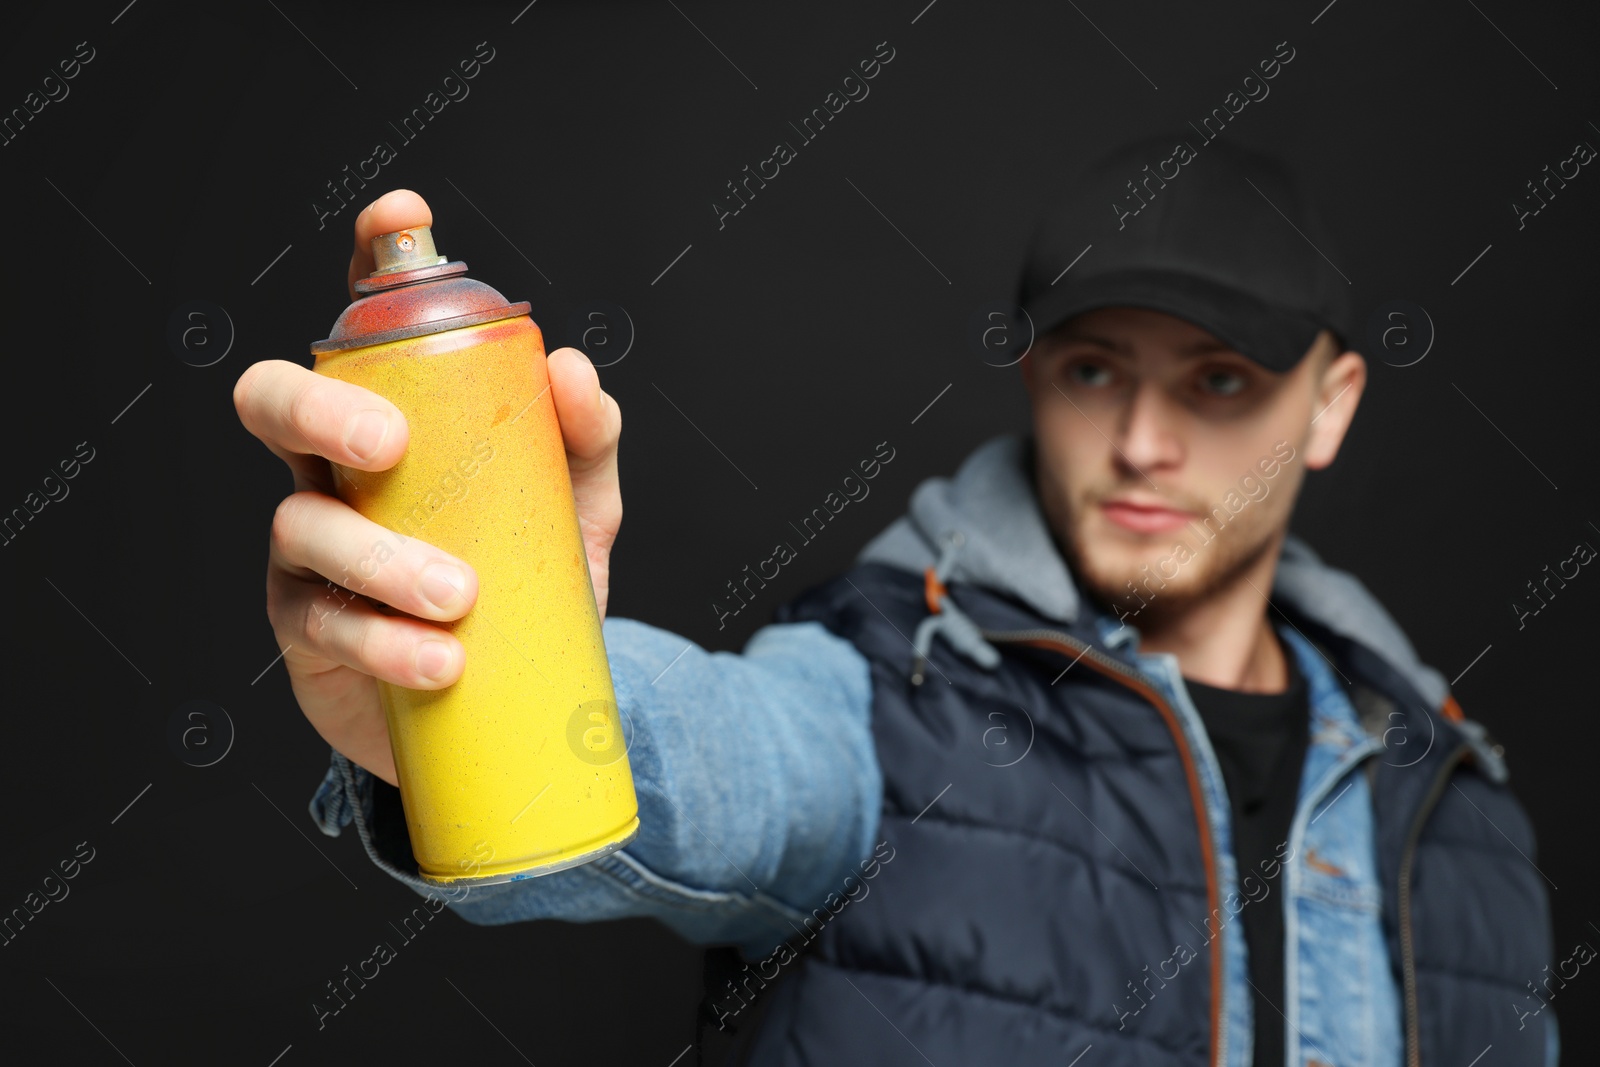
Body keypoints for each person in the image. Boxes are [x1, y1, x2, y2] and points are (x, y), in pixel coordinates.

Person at [234, 133, 1557, 1067]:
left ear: (1330, 407)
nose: (1146, 440)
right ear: (1035, 374)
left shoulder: (1466, 819)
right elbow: (733, 755)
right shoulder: (884, 697)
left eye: (1219, 382)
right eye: (1097, 371)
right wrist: (469, 692)